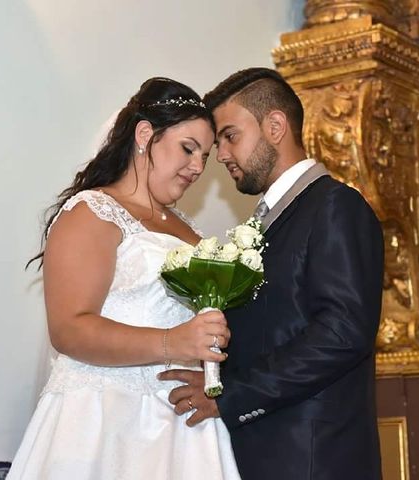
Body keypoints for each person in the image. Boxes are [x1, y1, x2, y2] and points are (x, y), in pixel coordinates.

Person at [8, 77, 241, 479]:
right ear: (145, 134)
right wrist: (174, 341)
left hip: (182, 428)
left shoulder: (191, 231)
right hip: (107, 420)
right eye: (188, 149)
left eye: (204, 156)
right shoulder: (92, 211)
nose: (197, 167)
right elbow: (69, 329)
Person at [159, 68, 384, 479]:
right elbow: (271, 332)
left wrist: (232, 396)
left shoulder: (336, 206)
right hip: (269, 455)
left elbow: (342, 332)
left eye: (230, 136)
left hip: (313, 458)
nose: (222, 155)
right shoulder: (268, 222)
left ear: (275, 126)